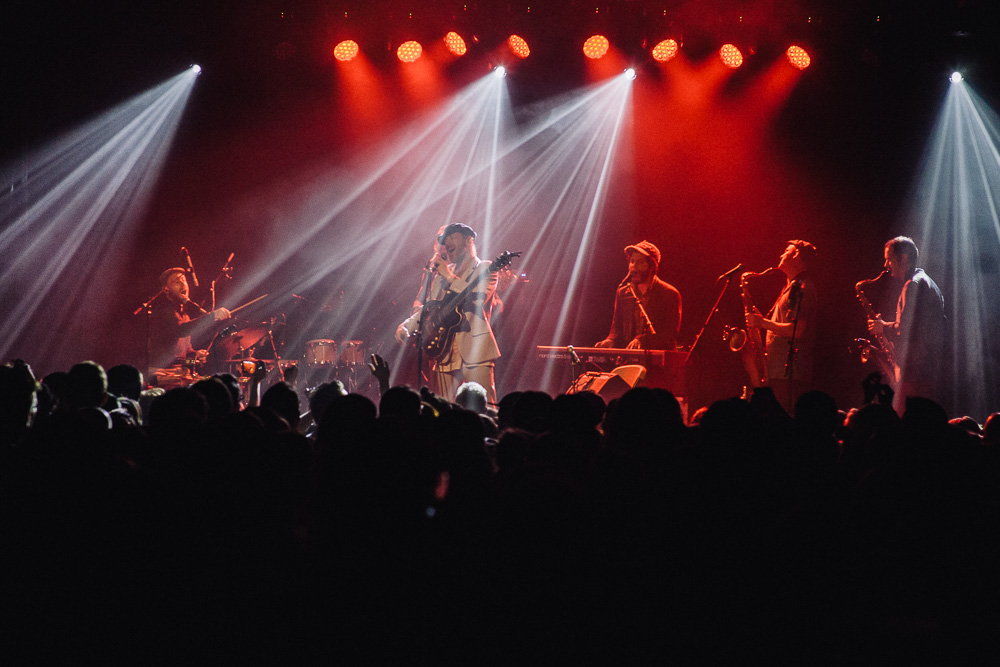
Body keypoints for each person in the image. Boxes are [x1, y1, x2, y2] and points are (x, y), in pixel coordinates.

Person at [395, 223, 500, 405]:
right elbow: (429, 307)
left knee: (486, 407)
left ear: (469, 240)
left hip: (475, 347)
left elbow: (476, 300)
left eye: (452, 237)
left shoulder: (485, 268)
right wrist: (406, 325)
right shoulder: (441, 274)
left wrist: (448, 276)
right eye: (445, 239)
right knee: (444, 408)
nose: (447, 242)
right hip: (443, 349)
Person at [867, 236, 945, 411]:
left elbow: (907, 330)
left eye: (888, 259)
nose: (886, 265)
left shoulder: (913, 285)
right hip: (926, 370)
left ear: (904, 258)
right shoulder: (926, 281)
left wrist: (882, 327)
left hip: (914, 373)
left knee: (907, 422)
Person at [746, 240, 819, 411]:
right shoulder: (791, 287)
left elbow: (797, 330)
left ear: (796, 255)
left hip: (789, 374)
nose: (781, 255)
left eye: (786, 250)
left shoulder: (800, 287)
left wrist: (762, 322)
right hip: (779, 371)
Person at [595, 240, 681, 351]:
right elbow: (616, 329)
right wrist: (610, 340)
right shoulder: (623, 293)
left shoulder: (669, 294)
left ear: (652, 267)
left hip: (657, 364)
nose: (633, 267)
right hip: (628, 361)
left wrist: (643, 340)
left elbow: (669, 335)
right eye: (632, 261)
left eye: (640, 262)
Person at [149, 268, 231, 383]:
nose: (183, 284)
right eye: (177, 281)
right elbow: (181, 330)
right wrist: (211, 317)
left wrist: (195, 353)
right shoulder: (163, 310)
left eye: (184, 280)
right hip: (160, 373)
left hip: (177, 372)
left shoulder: (185, 315)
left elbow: (185, 349)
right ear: (166, 290)